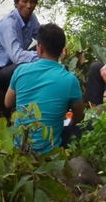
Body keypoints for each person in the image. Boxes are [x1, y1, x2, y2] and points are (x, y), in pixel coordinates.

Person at [5, 23, 85, 153]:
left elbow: (7, 102)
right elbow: (79, 116)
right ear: (64, 51)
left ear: (40, 48)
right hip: (50, 151)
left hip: (20, 148)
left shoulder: (21, 70)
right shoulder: (70, 80)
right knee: (86, 125)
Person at [0, 0, 40, 90]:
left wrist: (58, 47)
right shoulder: (9, 24)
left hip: (13, 65)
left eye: (32, 2)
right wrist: (45, 57)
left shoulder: (32, 18)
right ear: (16, 3)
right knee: (27, 67)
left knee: (47, 47)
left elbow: (43, 37)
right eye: (25, 1)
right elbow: (17, 57)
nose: (28, 6)